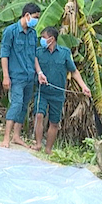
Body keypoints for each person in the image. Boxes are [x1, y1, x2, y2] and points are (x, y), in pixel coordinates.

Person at [32, 26, 90, 154]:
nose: (41, 40)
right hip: (42, 91)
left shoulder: (64, 53)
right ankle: (37, 144)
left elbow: (74, 72)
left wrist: (84, 86)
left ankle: (48, 149)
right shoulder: (38, 52)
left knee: (54, 122)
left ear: (51, 39)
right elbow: (33, 62)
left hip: (58, 94)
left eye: (43, 37)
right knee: (39, 115)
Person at [0, 3, 42, 148]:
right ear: (26, 15)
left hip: (30, 76)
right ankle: (6, 137)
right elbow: (4, 54)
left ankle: (16, 136)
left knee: (24, 106)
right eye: (35, 17)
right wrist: (6, 76)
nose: (36, 21)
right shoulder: (10, 31)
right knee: (16, 104)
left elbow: (34, 55)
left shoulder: (33, 34)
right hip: (16, 76)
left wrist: (39, 72)